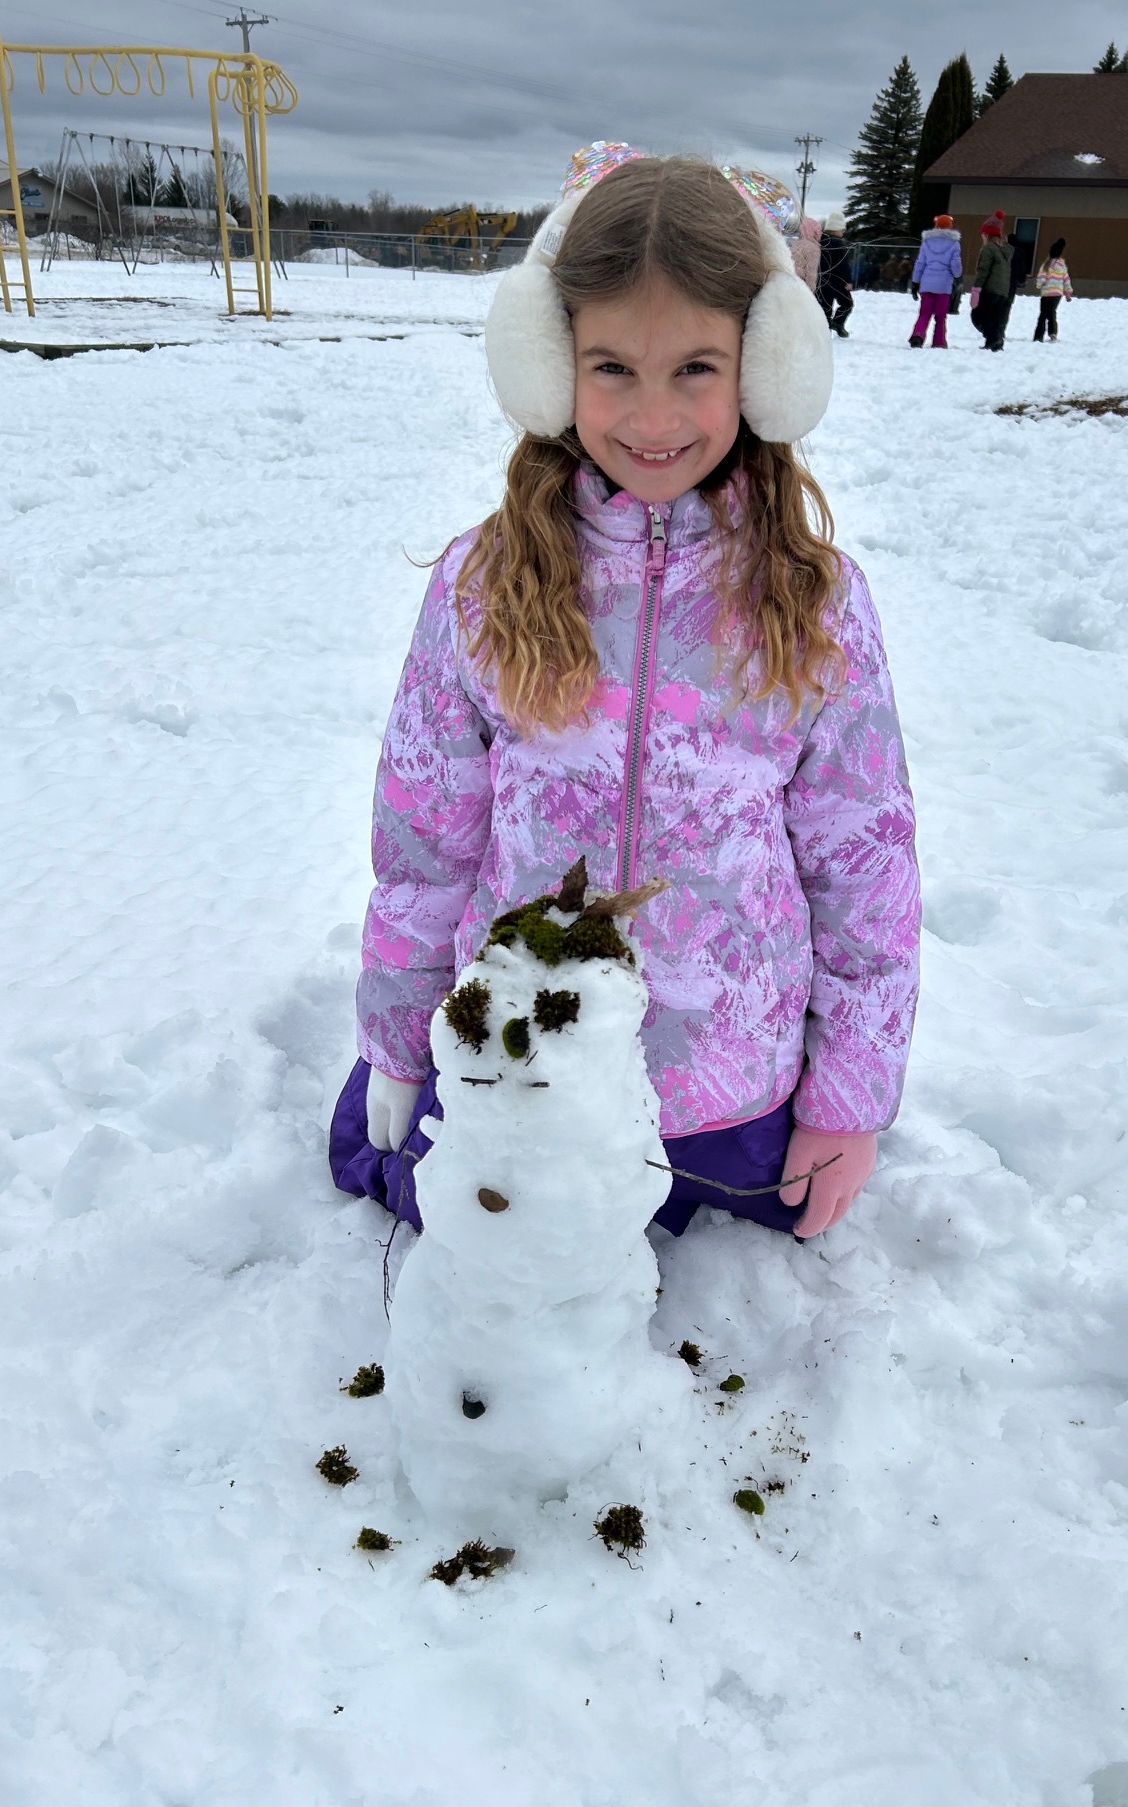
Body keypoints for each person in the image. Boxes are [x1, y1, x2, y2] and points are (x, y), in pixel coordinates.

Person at [330, 151, 921, 1243]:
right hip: (521, 1078)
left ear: (764, 367)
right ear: (551, 363)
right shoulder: (481, 585)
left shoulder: (817, 603)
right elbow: (423, 854)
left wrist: (848, 1103)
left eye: (696, 367)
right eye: (612, 367)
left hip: (730, 1100)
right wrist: (400, 1049)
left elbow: (865, 874)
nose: (654, 415)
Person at [907, 212, 962, 348]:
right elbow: (955, 265)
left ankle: (917, 335)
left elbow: (920, 263)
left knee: (924, 313)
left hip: (927, 283)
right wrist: (957, 275)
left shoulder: (927, 242)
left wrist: (915, 281)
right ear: (950, 227)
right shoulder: (954, 244)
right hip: (944, 285)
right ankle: (939, 342)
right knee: (941, 316)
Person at [972, 211, 1011, 351]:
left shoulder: (988, 249)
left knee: (979, 315)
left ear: (987, 234)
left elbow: (983, 270)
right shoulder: (1004, 252)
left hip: (990, 289)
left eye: (983, 233)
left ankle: (995, 338)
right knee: (993, 317)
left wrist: (977, 288)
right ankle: (992, 342)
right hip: (1003, 290)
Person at [817, 210, 854, 337]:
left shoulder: (820, 242)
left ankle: (824, 331)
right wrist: (848, 281)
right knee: (847, 304)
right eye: (842, 229)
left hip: (822, 280)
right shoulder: (838, 244)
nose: (843, 232)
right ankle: (838, 322)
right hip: (838, 281)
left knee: (825, 308)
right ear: (836, 229)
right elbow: (844, 265)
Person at [1033, 237, 1073, 341]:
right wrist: (1068, 292)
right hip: (1057, 293)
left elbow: (1042, 278)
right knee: (1051, 312)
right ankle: (1053, 332)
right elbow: (1066, 279)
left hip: (1047, 293)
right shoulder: (1062, 266)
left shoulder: (1046, 265)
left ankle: (1038, 336)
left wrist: (1039, 285)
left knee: (1043, 315)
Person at [999, 230, 1034, 343]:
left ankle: (995, 328)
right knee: (1007, 306)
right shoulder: (1020, 253)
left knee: (998, 305)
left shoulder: (1003, 252)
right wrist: (1022, 281)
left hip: (1001, 282)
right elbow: (1022, 269)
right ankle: (1002, 328)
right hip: (1012, 283)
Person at [790, 214, 821, 292]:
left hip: (791, 279)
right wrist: (811, 290)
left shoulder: (796, 244)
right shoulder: (813, 248)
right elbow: (811, 271)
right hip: (802, 283)